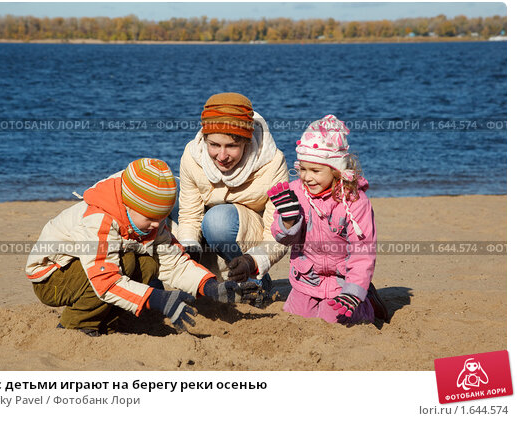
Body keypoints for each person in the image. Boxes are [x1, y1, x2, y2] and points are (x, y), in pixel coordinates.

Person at [26, 158, 253, 337]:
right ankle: (75, 326)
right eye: (151, 218)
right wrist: (159, 299)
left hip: (88, 271)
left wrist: (211, 286)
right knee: (127, 263)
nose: (158, 224)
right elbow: (106, 282)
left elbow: (174, 262)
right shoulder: (99, 220)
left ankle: (111, 321)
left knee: (147, 263)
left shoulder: (148, 221)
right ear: (129, 206)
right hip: (52, 277)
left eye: (162, 217)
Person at [267, 114, 389, 324]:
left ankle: (366, 299)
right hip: (307, 278)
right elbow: (283, 239)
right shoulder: (295, 193)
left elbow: (363, 251)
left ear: (336, 170)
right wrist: (288, 220)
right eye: (302, 169)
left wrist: (353, 290)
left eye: (315, 170)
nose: (306, 177)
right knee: (295, 318)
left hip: (342, 280)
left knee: (333, 318)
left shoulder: (354, 200)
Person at [173, 92, 289, 295]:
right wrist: (189, 246)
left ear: (247, 140)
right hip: (207, 232)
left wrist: (253, 261)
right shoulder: (192, 156)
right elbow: (190, 214)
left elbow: (278, 232)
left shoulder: (273, 162)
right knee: (161, 193)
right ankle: (196, 275)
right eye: (214, 145)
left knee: (218, 220)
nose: (222, 155)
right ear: (204, 138)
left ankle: (253, 278)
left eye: (232, 146)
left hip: (245, 234)